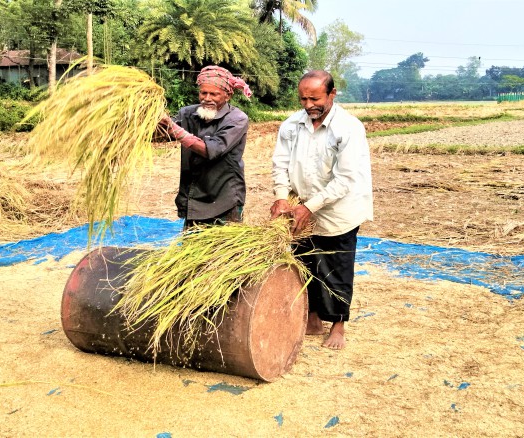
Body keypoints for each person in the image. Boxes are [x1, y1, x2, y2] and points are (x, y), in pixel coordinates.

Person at [270, 70, 373, 350]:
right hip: (300, 206)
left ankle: (338, 326)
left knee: (335, 268)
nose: (308, 105)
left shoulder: (349, 128)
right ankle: (312, 318)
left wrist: (309, 207)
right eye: (303, 98)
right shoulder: (292, 125)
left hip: (339, 210)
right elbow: (280, 163)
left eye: (315, 98)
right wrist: (282, 197)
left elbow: (345, 179)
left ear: (332, 94)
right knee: (304, 263)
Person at [159, 66, 252, 229]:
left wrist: (175, 129)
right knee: (191, 252)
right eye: (203, 93)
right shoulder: (187, 113)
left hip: (223, 200)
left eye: (214, 94)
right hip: (192, 199)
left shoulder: (237, 119)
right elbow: (162, 134)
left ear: (228, 95)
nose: (207, 98)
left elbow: (211, 150)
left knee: (224, 252)